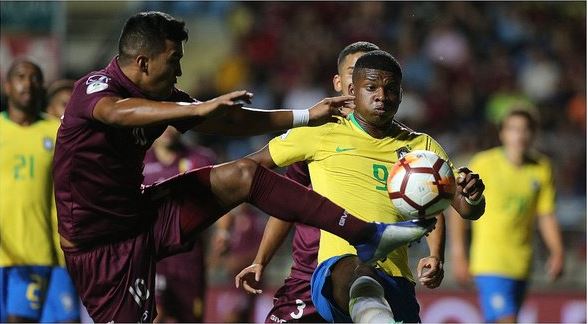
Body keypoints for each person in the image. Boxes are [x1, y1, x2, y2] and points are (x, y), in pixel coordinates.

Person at [52, 12, 436, 322]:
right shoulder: (96, 88)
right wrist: (196, 108)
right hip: (101, 248)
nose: (179, 73)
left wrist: (304, 116)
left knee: (243, 174)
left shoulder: (163, 96)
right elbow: (118, 114)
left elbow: (231, 122)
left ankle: (367, 235)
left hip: (141, 215)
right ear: (142, 62)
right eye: (173, 62)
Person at [236, 50, 486, 323]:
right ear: (352, 90)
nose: (381, 95)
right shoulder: (319, 132)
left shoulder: (421, 147)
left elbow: (464, 209)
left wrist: (471, 197)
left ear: (400, 95)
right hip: (336, 269)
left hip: (396, 277)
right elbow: (249, 167)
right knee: (359, 269)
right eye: (371, 88)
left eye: (390, 89)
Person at [235, 41, 384, 323]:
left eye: (372, 73)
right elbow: (287, 203)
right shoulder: (316, 134)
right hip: (311, 275)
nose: (364, 80)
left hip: (372, 276)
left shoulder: (401, 144)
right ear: (339, 82)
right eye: (356, 72)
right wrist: (260, 259)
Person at [450, 108, 564, 323]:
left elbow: (546, 215)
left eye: (524, 129)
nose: (519, 135)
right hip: (489, 262)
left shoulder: (541, 168)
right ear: (502, 134)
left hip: (521, 263)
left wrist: (557, 252)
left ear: (533, 133)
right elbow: (457, 210)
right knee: (507, 320)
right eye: (513, 129)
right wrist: (458, 254)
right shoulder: (484, 164)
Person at [0, 60, 62, 322]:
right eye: (20, 76)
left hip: (36, 250)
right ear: (7, 86)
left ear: (42, 87)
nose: (27, 83)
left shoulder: (57, 131)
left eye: (35, 77)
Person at [142, 127, 213, 322]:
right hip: (151, 258)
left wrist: (223, 235)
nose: (167, 129)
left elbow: (221, 201)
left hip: (188, 257)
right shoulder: (138, 162)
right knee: (154, 315)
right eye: (161, 123)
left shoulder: (200, 160)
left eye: (173, 122)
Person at [41, 78, 81, 323]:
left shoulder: (86, 150)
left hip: (68, 253)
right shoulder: (37, 146)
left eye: (74, 106)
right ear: (49, 111)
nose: (69, 112)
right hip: (33, 251)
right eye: (63, 105)